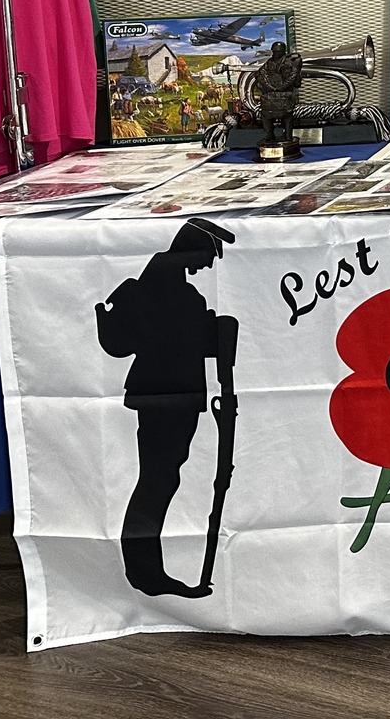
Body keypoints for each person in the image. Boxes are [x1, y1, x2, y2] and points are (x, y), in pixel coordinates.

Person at [95, 218, 239, 598]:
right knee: (158, 479)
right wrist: (215, 331)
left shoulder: (167, 289)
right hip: (167, 396)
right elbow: (168, 339)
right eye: (209, 254)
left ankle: (147, 570)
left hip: (173, 395)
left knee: (161, 478)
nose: (210, 263)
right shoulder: (170, 292)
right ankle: (145, 572)